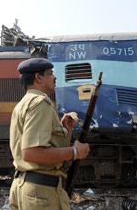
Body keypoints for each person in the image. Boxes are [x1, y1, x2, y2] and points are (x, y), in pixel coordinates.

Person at [9, 58, 90, 210]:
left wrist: (62, 128)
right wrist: (75, 152)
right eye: (50, 73)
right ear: (38, 77)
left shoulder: (24, 103)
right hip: (41, 194)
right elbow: (31, 153)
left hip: (25, 187)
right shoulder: (40, 103)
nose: (55, 77)